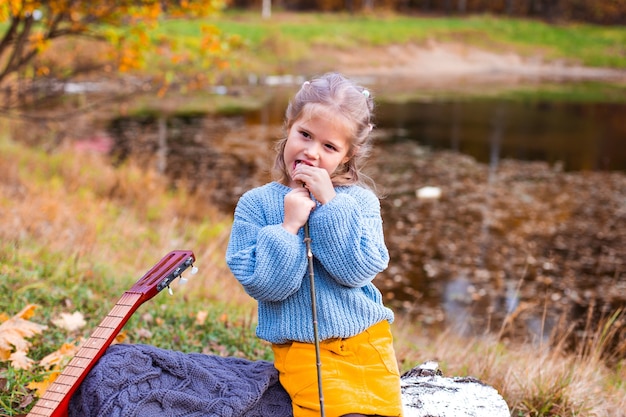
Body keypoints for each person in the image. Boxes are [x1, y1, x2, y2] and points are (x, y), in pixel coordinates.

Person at [226, 72, 403, 417]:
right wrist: (288, 227)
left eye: (329, 146)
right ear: (289, 127)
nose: (311, 152)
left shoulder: (359, 203)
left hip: (368, 339)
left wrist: (330, 207)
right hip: (304, 348)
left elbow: (356, 272)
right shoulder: (256, 205)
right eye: (304, 135)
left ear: (347, 156)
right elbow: (267, 287)